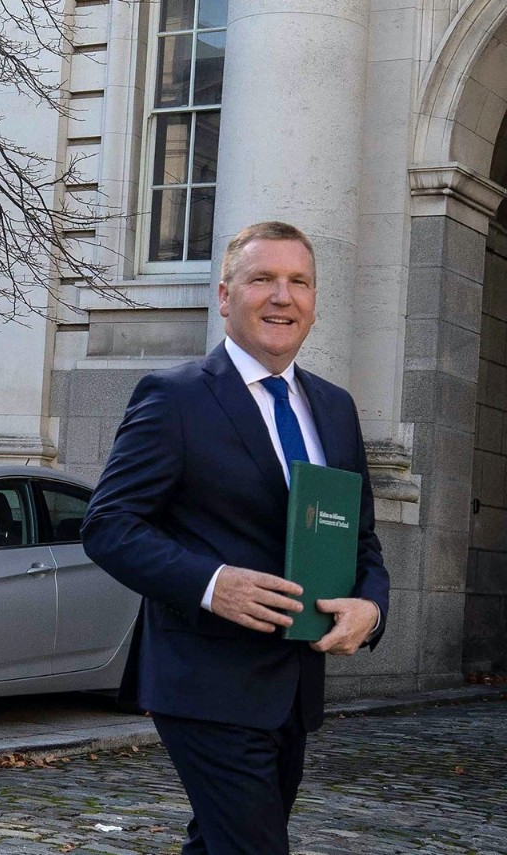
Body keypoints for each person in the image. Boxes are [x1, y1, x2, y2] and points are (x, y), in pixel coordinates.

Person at [80, 221, 389, 855]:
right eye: (262, 279)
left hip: (294, 688)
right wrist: (211, 584)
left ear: (314, 299)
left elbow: (362, 540)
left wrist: (372, 606)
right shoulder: (176, 398)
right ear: (225, 296)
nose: (283, 296)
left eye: (298, 281)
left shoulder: (334, 408)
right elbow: (108, 525)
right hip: (205, 679)